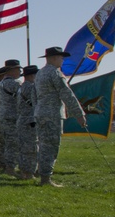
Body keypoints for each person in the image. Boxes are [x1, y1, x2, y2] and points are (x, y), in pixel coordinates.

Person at [34, 46, 87, 187]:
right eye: (61, 57)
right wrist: (79, 114)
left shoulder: (39, 74)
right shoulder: (55, 73)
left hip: (40, 113)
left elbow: (35, 96)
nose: (62, 60)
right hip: (52, 114)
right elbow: (66, 93)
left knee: (44, 145)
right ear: (53, 58)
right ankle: (46, 178)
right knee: (51, 146)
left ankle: (42, 174)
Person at [0, 59, 22, 177]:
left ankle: (10, 167)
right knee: (13, 144)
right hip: (11, 116)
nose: (20, 71)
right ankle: (10, 168)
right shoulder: (12, 83)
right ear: (11, 70)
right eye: (18, 69)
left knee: (9, 143)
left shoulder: (2, 82)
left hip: (6, 115)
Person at [16, 65, 39, 181]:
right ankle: (29, 173)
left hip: (21, 120)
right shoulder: (31, 87)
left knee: (23, 147)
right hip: (30, 121)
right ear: (31, 76)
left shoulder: (20, 88)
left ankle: (23, 171)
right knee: (31, 148)